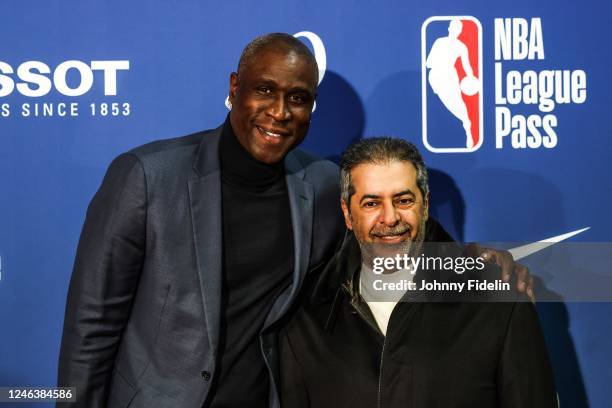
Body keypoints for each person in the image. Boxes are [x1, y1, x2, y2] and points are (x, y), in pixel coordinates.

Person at [58, 33, 532, 408]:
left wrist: (468, 260)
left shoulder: (322, 185)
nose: (280, 112)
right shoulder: (146, 176)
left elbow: (387, 236)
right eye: (265, 90)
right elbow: (92, 325)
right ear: (233, 89)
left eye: (298, 98)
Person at [280, 137, 557, 408]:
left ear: (424, 205)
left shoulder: (498, 301)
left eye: (403, 201)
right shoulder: (306, 318)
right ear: (347, 214)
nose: (390, 218)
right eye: (372, 203)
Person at [426, 19, 477, 148]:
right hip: (435, 77)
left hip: (450, 77)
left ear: (460, 31)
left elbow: (467, 66)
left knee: (457, 103)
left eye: (458, 29)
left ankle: (468, 129)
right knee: (441, 104)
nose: (456, 30)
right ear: (449, 28)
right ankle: (463, 126)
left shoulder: (461, 46)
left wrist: (471, 78)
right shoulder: (439, 42)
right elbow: (428, 63)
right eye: (454, 27)